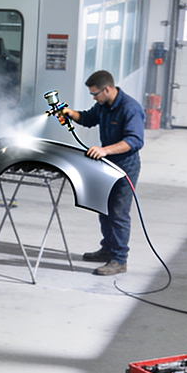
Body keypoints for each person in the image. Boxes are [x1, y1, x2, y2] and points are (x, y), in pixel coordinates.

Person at [62, 69, 145, 276]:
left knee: (118, 212)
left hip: (125, 167)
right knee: (104, 209)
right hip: (106, 165)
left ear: (107, 89)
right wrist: (70, 114)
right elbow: (89, 118)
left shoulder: (130, 108)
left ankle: (119, 259)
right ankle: (107, 249)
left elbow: (135, 140)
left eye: (95, 94)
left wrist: (104, 150)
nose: (94, 98)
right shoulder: (104, 105)